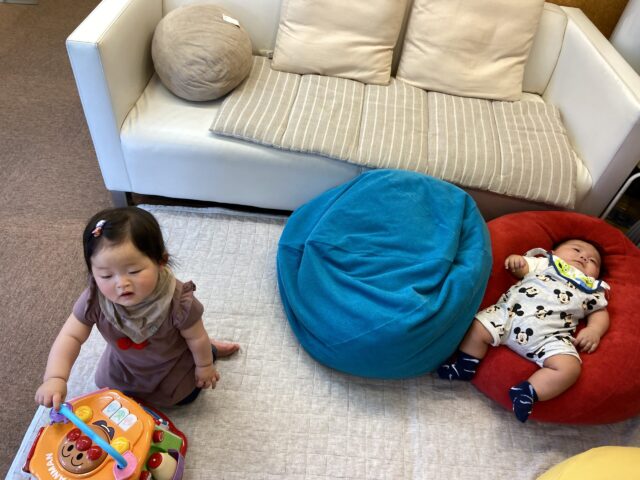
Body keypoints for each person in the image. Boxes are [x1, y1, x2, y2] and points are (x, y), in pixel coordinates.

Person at [35, 207, 239, 409]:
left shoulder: (177, 301)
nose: (121, 283)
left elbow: (197, 338)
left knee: (186, 393)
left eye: (133, 271)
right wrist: (55, 377)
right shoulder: (95, 299)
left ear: (161, 261)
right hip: (124, 366)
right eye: (106, 275)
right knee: (110, 393)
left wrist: (205, 366)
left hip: (171, 364)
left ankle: (212, 349)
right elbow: (70, 336)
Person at [437, 239, 610, 422]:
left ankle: (528, 392)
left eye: (593, 261)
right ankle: (465, 366)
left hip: (550, 336)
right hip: (509, 316)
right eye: (576, 250)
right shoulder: (545, 263)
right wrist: (516, 261)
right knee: (477, 326)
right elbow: (521, 268)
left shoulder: (592, 289)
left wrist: (594, 330)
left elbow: (600, 313)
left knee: (570, 368)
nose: (584, 257)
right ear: (553, 252)